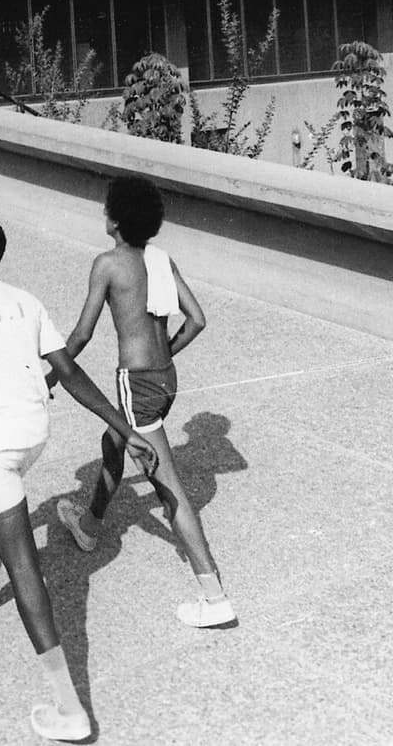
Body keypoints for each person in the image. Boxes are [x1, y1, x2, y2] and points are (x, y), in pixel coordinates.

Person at [0, 212, 159, 743]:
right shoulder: (24, 300)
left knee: (24, 569)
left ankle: (70, 708)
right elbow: (68, 371)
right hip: (34, 432)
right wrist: (122, 428)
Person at [53, 174, 236, 629]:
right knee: (115, 440)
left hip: (135, 384)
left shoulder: (108, 264)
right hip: (165, 379)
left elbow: (80, 334)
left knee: (168, 487)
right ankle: (90, 524)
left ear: (115, 219)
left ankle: (213, 595)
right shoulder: (160, 259)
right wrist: (164, 354)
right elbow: (196, 320)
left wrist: (47, 375)